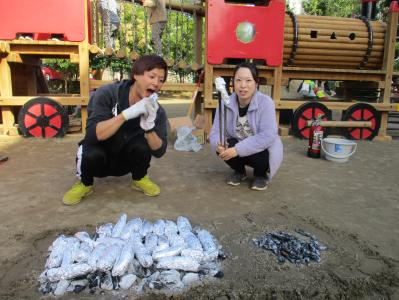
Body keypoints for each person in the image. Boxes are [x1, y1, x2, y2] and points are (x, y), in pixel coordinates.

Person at [63, 55, 168, 205]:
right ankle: (85, 183)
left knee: (142, 145)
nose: (156, 83)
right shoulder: (108, 93)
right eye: (152, 76)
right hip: (100, 160)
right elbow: (93, 135)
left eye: (161, 80)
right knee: (89, 150)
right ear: (136, 75)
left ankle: (139, 179)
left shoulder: (157, 110)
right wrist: (125, 115)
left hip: (126, 164)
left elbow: (160, 151)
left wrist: (149, 128)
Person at [209, 62, 283, 191]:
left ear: (256, 83)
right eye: (238, 80)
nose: (243, 86)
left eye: (248, 80)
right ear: (233, 82)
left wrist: (237, 150)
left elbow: (268, 135)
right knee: (224, 145)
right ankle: (239, 171)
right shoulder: (225, 103)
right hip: (238, 144)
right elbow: (215, 131)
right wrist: (218, 144)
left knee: (263, 151)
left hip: (260, 150)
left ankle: (260, 175)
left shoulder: (266, 103)